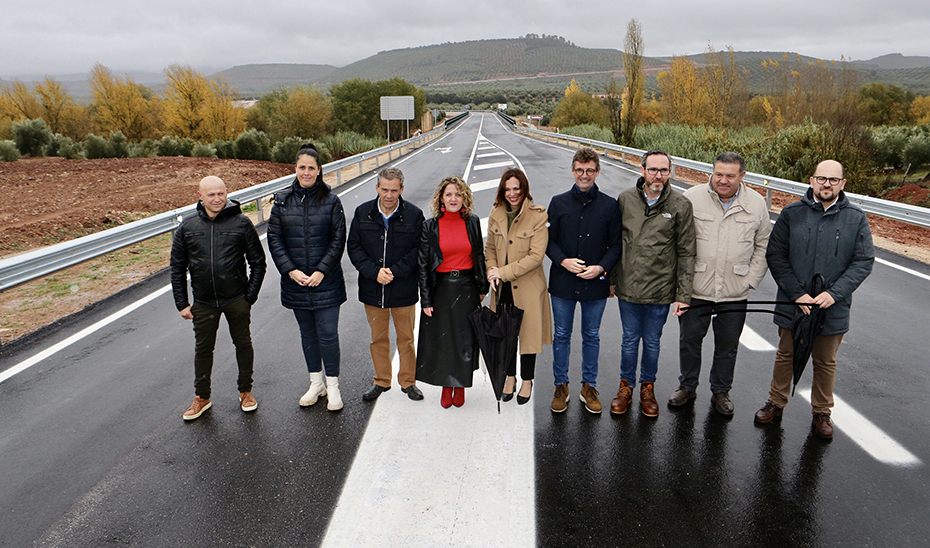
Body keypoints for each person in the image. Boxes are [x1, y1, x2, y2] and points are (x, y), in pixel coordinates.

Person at [754, 159, 874, 439]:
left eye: (833, 179)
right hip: (793, 303)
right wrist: (797, 294)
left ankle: (822, 412)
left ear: (843, 184)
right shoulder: (791, 214)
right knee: (786, 355)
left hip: (833, 306)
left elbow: (863, 260)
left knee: (825, 361)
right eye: (822, 178)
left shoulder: (856, 218)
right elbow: (776, 255)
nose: (827, 184)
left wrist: (834, 294)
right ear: (811, 181)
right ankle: (775, 402)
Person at [671, 152, 771, 416]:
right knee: (689, 341)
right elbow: (676, 242)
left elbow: (763, 245)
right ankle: (687, 387)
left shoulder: (757, 203)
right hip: (697, 288)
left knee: (727, 346)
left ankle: (721, 392)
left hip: (734, 291)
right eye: (718, 174)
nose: (723, 180)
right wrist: (681, 284)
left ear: (742, 176)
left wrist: (750, 280)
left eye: (730, 175)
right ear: (711, 172)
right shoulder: (692, 198)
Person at [170, 176, 266, 421]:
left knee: (243, 344)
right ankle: (202, 397)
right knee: (203, 350)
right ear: (200, 196)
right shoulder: (187, 228)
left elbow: (258, 262)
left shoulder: (241, 223)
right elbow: (177, 267)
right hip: (202, 302)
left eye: (220, 193)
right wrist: (182, 302)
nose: (216, 199)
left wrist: (249, 297)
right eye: (211, 194)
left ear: (227, 193)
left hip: (236, 298)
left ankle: (246, 392)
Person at [609, 149, 695, 418]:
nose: (658, 175)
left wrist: (684, 294)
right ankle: (626, 388)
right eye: (653, 169)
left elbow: (686, 252)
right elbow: (614, 244)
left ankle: (648, 388)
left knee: (653, 342)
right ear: (642, 170)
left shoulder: (680, 205)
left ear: (670, 172)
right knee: (629, 341)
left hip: (660, 290)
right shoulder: (624, 200)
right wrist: (611, 280)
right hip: (628, 287)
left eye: (664, 170)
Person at [268, 143, 347, 411]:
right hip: (296, 282)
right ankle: (316, 383)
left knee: (327, 334)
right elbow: (275, 239)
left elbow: (338, 240)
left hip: (326, 282)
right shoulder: (281, 202)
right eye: (302, 167)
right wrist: (291, 270)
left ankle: (333, 386)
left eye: (311, 168)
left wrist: (320, 271)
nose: (306, 172)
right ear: (295, 168)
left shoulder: (332, 202)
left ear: (319, 170)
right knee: (308, 334)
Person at [546, 147, 622, 414]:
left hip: (595, 283)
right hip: (563, 283)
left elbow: (616, 246)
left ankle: (588, 387)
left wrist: (602, 268)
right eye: (580, 170)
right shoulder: (558, 203)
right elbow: (549, 241)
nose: (585, 175)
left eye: (590, 170)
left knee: (591, 336)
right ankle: (560, 385)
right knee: (562, 335)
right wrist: (562, 261)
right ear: (573, 171)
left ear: (597, 171)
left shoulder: (610, 206)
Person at [347, 167, 425, 402]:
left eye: (394, 190)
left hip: (403, 288)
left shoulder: (414, 214)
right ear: (377, 188)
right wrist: (374, 272)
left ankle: (408, 382)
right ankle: (381, 381)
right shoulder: (363, 213)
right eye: (384, 189)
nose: (389, 195)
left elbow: (419, 250)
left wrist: (395, 271)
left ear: (401, 189)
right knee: (378, 338)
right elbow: (354, 247)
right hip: (373, 289)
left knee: (406, 339)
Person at [416, 176, 489, 408]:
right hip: (441, 288)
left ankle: (461, 385)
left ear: (464, 197)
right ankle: (447, 386)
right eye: (448, 194)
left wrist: (482, 286)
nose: (453, 198)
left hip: (467, 286)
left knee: (465, 339)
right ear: (441, 199)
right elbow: (423, 265)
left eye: (458, 194)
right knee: (444, 340)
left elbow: (479, 255)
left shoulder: (473, 222)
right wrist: (425, 299)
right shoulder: (430, 226)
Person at [485, 168, 552, 405]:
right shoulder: (496, 213)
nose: (512, 194)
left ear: (524, 189)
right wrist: (491, 270)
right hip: (502, 289)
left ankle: (527, 380)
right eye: (508, 189)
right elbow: (490, 249)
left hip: (528, 287)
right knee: (506, 335)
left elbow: (536, 257)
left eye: (517, 188)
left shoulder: (538, 216)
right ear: (502, 191)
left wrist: (501, 272)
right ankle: (510, 377)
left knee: (528, 335)